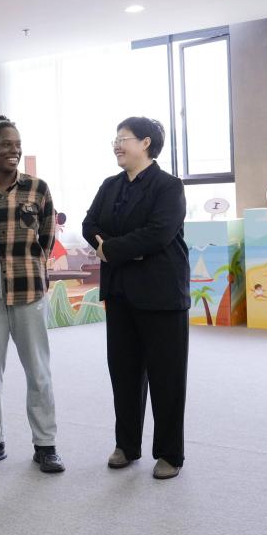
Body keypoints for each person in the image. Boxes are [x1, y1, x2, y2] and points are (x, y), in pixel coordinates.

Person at [82, 116, 190, 480]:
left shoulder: (168, 186)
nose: (117, 144)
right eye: (115, 139)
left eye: (123, 138)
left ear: (145, 143)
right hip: (120, 291)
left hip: (161, 293)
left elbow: (159, 233)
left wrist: (111, 249)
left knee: (166, 376)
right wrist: (119, 247)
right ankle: (126, 445)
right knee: (124, 372)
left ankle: (170, 454)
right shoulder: (110, 185)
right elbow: (89, 225)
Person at [0, 115, 65, 474]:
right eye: (6, 144)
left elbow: (46, 240)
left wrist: (28, 264)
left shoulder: (38, 189)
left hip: (28, 280)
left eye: (17, 145)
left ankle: (46, 444)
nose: (13, 150)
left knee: (38, 369)